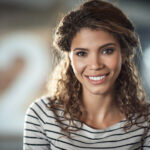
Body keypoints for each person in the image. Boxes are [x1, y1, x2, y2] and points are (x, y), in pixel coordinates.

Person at [23, 0, 150, 149]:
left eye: (107, 51)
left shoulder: (146, 120)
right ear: (69, 57)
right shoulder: (41, 115)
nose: (95, 65)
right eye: (82, 53)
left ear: (123, 53)